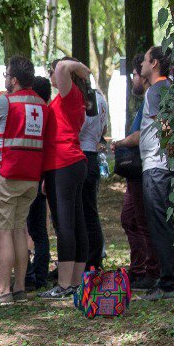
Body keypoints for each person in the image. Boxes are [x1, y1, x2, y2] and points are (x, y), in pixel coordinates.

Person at [0, 57, 44, 304]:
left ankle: (2, 291)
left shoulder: (6, 101)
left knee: (3, 234)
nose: (4, 79)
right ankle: (20, 287)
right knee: (19, 231)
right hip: (31, 177)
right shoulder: (41, 103)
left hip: (5, 174)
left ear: (13, 79)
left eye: (6, 75)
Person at [115, 45, 174, 300]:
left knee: (159, 224)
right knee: (165, 223)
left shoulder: (156, 91)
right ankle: (170, 279)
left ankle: (168, 283)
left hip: (156, 167)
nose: (139, 65)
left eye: (145, 60)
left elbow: (167, 126)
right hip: (164, 166)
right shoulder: (169, 88)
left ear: (154, 64)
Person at [39, 57, 93, 299]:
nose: (52, 75)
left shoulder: (70, 95)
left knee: (65, 224)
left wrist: (79, 68)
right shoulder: (69, 98)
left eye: (53, 71)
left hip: (64, 162)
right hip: (66, 163)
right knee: (75, 222)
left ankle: (64, 285)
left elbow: (62, 67)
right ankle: (74, 282)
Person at [117, 61, 160, 290]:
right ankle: (139, 267)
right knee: (129, 219)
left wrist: (120, 143)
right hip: (136, 171)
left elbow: (142, 134)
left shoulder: (152, 97)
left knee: (143, 221)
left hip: (142, 167)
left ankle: (151, 271)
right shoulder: (145, 100)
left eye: (134, 73)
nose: (132, 79)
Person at [77, 68, 109, 271]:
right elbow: (103, 128)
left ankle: (91, 259)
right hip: (91, 154)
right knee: (89, 210)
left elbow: (77, 126)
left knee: (86, 212)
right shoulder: (100, 98)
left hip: (84, 154)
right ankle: (91, 257)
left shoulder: (86, 99)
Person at [26, 76, 54, 290]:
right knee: (38, 230)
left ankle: (31, 275)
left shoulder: (37, 113)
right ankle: (40, 274)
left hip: (32, 175)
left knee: (28, 228)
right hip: (40, 176)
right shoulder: (48, 112)